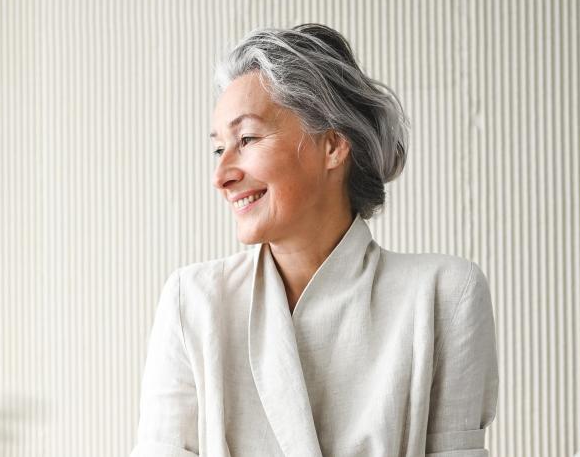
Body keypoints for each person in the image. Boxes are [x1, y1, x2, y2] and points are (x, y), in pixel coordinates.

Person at [132, 23, 498, 457]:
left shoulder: (443, 296)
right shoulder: (192, 303)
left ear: (332, 146)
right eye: (219, 148)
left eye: (246, 139)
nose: (221, 175)